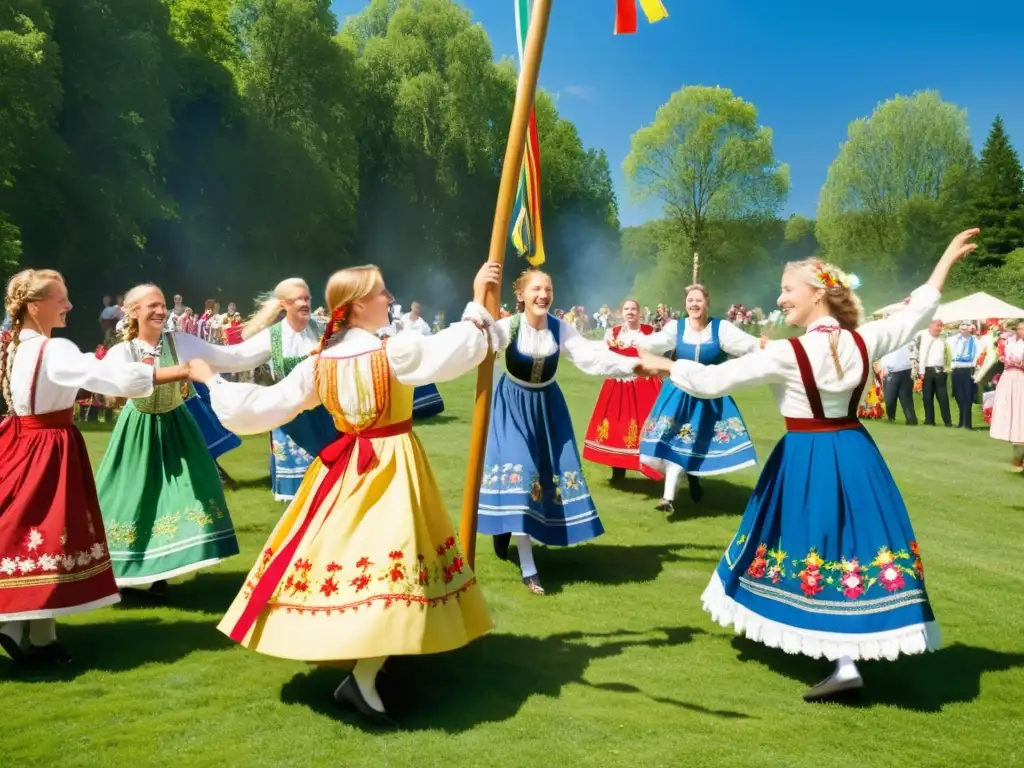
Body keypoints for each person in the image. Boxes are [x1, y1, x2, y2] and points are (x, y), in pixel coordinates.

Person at [637, 229, 979, 700]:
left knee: (807, 542)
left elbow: (708, 382)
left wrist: (658, 363)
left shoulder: (785, 353)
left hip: (804, 455)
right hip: (856, 452)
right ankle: (844, 653)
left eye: (787, 290)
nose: (780, 299)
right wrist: (944, 262)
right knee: (850, 546)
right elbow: (920, 309)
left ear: (818, 294)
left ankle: (838, 656)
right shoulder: (866, 340)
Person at [186, 261, 503, 726]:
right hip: (391, 465)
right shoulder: (391, 352)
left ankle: (373, 657)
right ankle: (364, 676)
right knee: (392, 563)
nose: (390, 298)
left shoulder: (321, 363)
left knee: (368, 562)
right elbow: (455, 349)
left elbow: (262, 407)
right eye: (382, 292)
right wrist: (478, 301)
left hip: (347, 470)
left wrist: (211, 382)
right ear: (356, 306)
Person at [0, 269, 189, 665]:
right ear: (36, 307)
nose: (69, 305)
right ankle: (18, 623)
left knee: (43, 534)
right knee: (49, 533)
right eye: (61, 299)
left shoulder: (18, 345)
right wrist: (178, 371)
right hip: (47, 448)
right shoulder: (53, 349)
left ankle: (40, 634)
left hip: (23, 442)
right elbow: (105, 377)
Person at [481, 268, 645, 595]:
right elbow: (474, 345)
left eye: (548, 289)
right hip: (512, 407)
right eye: (536, 289)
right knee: (523, 474)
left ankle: (511, 528)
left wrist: (636, 364)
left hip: (548, 408)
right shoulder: (506, 328)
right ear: (521, 295)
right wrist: (478, 298)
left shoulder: (560, 329)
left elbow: (593, 357)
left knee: (546, 475)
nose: (543, 295)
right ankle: (529, 567)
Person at [94, 285, 264, 596]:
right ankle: (126, 571)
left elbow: (234, 357)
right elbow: (111, 392)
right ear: (133, 311)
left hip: (177, 425)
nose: (160, 311)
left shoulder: (180, 342)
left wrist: (279, 332)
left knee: (184, 495)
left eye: (162, 305)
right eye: (152, 306)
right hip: (138, 430)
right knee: (131, 498)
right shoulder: (123, 351)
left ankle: (163, 572)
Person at [635, 284, 763, 512]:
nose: (694, 304)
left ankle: (692, 477)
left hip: (709, 395)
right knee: (672, 439)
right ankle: (668, 498)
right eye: (690, 300)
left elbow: (747, 345)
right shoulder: (677, 328)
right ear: (685, 304)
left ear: (707, 303)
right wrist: (633, 338)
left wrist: (764, 347)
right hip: (678, 393)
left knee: (698, 441)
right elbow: (653, 343)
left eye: (699, 300)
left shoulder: (720, 329)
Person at [238, 278, 338, 501]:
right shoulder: (271, 337)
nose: (305, 303)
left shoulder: (323, 329)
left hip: (325, 416)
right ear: (284, 304)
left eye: (307, 298)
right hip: (290, 421)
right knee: (299, 499)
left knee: (331, 493)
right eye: (298, 299)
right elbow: (241, 363)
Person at [582, 298, 663, 481]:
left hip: (644, 385)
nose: (630, 312)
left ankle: (650, 464)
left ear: (639, 312)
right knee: (617, 426)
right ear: (621, 312)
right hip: (618, 385)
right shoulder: (613, 333)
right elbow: (605, 355)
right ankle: (618, 471)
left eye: (633, 309)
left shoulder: (649, 333)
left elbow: (657, 356)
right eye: (626, 309)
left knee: (647, 425)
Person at [980, 320, 1024, 470]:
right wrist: (1007, 360)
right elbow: (1001, 356)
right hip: (1009, 377)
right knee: (1010, 408)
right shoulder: (1008, 342)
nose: (1022, 331)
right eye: (1020, 328)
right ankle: (1015, 444)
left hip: (1021, 377)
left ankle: (1019, 454)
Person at [400, 301, 445, 419]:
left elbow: (429, 340)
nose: (416, 309)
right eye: (415, 307)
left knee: (419, 381)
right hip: (402, 355)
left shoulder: (422, 325)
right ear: (411, 307)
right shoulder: (403, 318)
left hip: (416, 357)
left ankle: (424, 407)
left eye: (418, 308)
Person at [914, 319, 952, 427]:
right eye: (937, 326)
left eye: (940, 326)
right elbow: (922, 355)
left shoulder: (942, 340)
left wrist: (945, 368)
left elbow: (945, 355)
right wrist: (922, 372)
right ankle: (929, 420)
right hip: (928, 370)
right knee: (927, 396)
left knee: (942, 396)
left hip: (940, 370)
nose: (939, 328)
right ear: (931, 325)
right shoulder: (925, 338)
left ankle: (947, 421)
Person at [950, 323, 983, 429]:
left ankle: (968, 423)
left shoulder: (975, 341)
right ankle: (961, 422)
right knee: (959, 396)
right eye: (961, 329)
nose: (963, 331)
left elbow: (978, 354)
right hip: (957, 369)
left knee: (968, 396)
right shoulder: (955, 340)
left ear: (970, 330)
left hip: (969, 369)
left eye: (965, 329)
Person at [878, 342, 917, 424]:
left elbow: (914, 353)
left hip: (906, 370)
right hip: (891, 372)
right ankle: (891, 417)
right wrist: (883, 368)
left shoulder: (909, 341)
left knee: (906, 397)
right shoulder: (888, 343)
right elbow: (883, 356)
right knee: (889, 398)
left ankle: (911, 419)